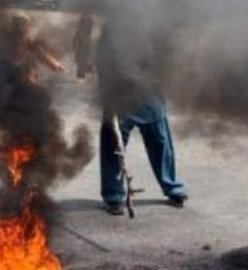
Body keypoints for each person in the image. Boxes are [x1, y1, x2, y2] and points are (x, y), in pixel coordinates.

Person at [95, 19, 186, 215]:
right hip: (120, 97)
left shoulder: (152, 22)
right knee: (113, 147)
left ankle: (172, 187)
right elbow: (103, 61)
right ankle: (113, 196)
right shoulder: (113, 27)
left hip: (149, 94)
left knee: (161, 143)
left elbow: (165, 58)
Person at [0, 12, 66, 83]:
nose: (20, 27)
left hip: (26, 74)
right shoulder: (6, 41)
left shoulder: (29, 42)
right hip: (10, 74)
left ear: (27, 26)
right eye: (17, 24)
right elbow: (2, 58)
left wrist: (54, 64)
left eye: (23, 24)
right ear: (13, 25)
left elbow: (41, 54)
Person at [72, 12, 96, 80]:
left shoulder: (87, 20)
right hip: (83, 42)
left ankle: (87, 69)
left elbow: (79, 32)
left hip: (84, 42)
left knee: (83, 58)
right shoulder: (85, 20)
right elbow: (78, 32)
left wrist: (75, 41)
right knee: (82, 58)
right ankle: (86, 69)